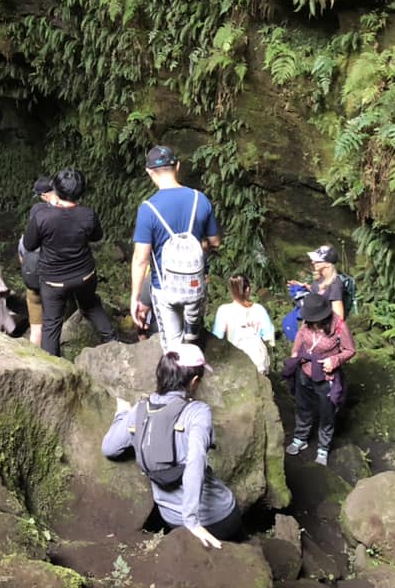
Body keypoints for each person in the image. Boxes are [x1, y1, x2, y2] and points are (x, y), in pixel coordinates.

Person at [102, 345, 242, 548]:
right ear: (194, 382)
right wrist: (192, 520)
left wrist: (122, 414)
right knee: (240, 547)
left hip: (173, 520)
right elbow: (196, 460)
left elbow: (109, 448)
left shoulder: (140, 410)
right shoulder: (197, 412)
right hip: (219, 517)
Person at [130, 146, 220, 351]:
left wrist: (135, 298)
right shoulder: (200, 199)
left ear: (149, 172)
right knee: (192, 337)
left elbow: (141, 259)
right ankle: (193, 340)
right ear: (178, 166)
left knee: (172, 346)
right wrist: (199, 245)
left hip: (164, 288)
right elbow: (214, 242)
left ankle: (179, 375)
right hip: (195, 284)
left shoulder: (148, 209)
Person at [22, 168, 116, 357]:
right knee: (91, 305)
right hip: (84, 275)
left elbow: (29, 245)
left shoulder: (42, 216)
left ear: (54, 189)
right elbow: (97, 236)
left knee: (51, 324)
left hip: (54, 281)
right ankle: (113, 342)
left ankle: (54, 368)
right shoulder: (88, 214)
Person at [284, 293, 356, 466]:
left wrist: (334, 360)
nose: (310, 321)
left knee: (326, 413)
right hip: (305, 371)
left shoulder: (338, 326)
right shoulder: (307, 322)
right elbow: (301, 336)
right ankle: (301, 437)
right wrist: (295, 353)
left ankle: (323, 447)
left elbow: (350, 350)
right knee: (303, 407)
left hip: (326, 376)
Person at [211, 275, 275, 374]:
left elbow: (217, 336)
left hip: (236, 356)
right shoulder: (259, 309)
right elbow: (269, 336)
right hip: (258, 357)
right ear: (248, 289)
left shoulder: (223, 310)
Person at [18, 176, 54, 346]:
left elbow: (22, 260)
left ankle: (35, 359)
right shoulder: (53, 235)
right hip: (52, 285)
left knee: (36, 329)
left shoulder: (24, 239)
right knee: (52, 326)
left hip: (33, 287)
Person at [288, 244, 345, 320]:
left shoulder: (335, 284)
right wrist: (303, 286)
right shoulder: (321, 277)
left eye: (317, 261)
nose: (313, 262)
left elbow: (339, 317)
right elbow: (318, 292)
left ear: (328, 264)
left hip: (321, 325)